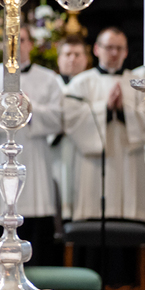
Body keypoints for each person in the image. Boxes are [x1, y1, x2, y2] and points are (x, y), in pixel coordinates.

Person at [0, 26, 63, 265]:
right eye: (10, 40)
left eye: (22, 40)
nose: (16, 45)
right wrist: (8, 109)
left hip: (34, 160)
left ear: (31, 44)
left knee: (35, 228)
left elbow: (59, 118)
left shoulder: (48, 78)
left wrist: (29, 108)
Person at [63, 28, 145, 222]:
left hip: (129, 162)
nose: (114, 53)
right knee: (94, 216)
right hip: (93, 165)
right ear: (97, 49)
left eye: (119, 48)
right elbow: (71, 121)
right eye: (109, 47)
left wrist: (123, 111)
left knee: (128, 221)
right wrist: (105, 108)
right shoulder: (80, 82)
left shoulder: (140, 84)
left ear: (126, 52)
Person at [51, 34, 89, 218]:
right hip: (56, 149)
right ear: (59, 59)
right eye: (67, 54)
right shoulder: (51, 83)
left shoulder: (91, 83)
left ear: (86, 59)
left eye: (77, 54)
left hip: (84, 149)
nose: (72, 59)